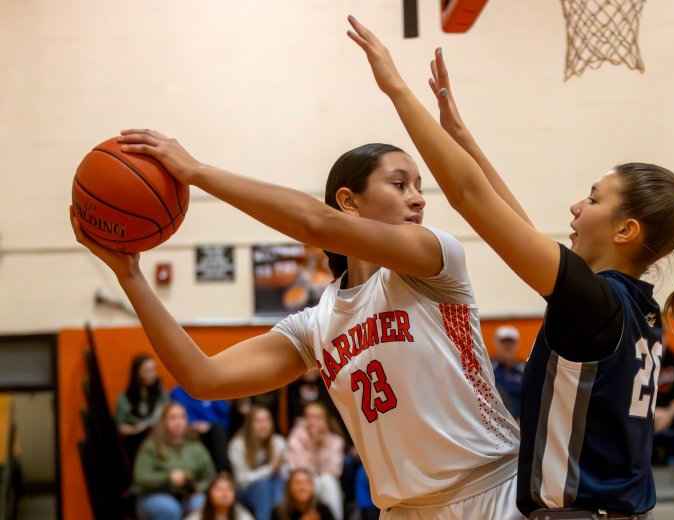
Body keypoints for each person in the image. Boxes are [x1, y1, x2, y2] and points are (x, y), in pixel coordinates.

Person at [347, 15, 674, 519]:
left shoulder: (596, 304)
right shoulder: (628, 307)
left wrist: (396, 89)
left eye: (593, 198)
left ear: (626, 230)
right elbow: (518, 228)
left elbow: (470, 197)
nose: (576, 207)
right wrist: (460, 136)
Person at [70, 127, 521, 518]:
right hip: (403, 509)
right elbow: (202, 377)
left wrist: (197, 173)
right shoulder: (316, 325)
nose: (418, 198)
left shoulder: (435, 262)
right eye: (399, 184)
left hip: (491, 488)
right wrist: (129, 276)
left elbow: (315, 223)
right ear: (349, 202)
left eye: (418, 187)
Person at [134, 402, 216, 520]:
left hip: (187, 495)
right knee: (169, 508)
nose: (178, 422)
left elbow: (210, 475)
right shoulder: (151, 446)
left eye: (182, 417)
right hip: (155, 495)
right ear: (163, 421)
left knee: (201, 503)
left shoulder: (195, 445)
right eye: (173, 418)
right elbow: (141, 478)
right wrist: (168, 477)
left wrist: (197, 488)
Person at [286, 402, 344, 520]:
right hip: (304, 483)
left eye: (318, 417)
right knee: (308, 482)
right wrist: (312, 444)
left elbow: (334, 471)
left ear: (326, 420)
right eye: (310, 417)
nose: (314, 422)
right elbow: (299, 470)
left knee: (328, 481)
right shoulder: (295, 438)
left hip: (325, 483)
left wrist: (321, 445)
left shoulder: (336, 441)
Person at [228, 405, 287, 520]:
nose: (264, 425)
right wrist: (270, 468)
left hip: (273, 488)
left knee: (280, 482)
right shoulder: (237, 444)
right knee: (263, 485)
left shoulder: (279, 442)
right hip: (245, 491)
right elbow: (241, 479)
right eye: (259, 421)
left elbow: (285, 474)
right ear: (249, 424)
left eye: (267, 420)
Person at [115, 353, 169, 466]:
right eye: (148, 371)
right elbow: (120, 427)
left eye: (154, 369)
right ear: (137, 373)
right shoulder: (125, 398)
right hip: (136, 439)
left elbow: (167, 413)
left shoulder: (160, 393)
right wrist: (136, 429)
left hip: (160, 436)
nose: (153, 374)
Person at [171, 385, 232, 473]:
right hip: (189, 427)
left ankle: (223, 473)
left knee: (218, 431)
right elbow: (179, 414)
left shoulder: (213, 389)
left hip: (213, 428)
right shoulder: (179, 392)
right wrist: (192, 423)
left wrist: (210, 424)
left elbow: (224, 415)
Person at [184, 472, 254, 520]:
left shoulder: (241, 515)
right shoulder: (199, 515)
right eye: (220, 489)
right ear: (210, 493)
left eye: (229, 489)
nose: (225, 493)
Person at [491, 326, 524, 420]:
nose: (508, 346)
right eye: (504, 342)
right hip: (495, 421)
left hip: (521, 422)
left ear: (517, 345)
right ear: (496, 344)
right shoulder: (488, 370)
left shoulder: (524, 371)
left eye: (511, 343)